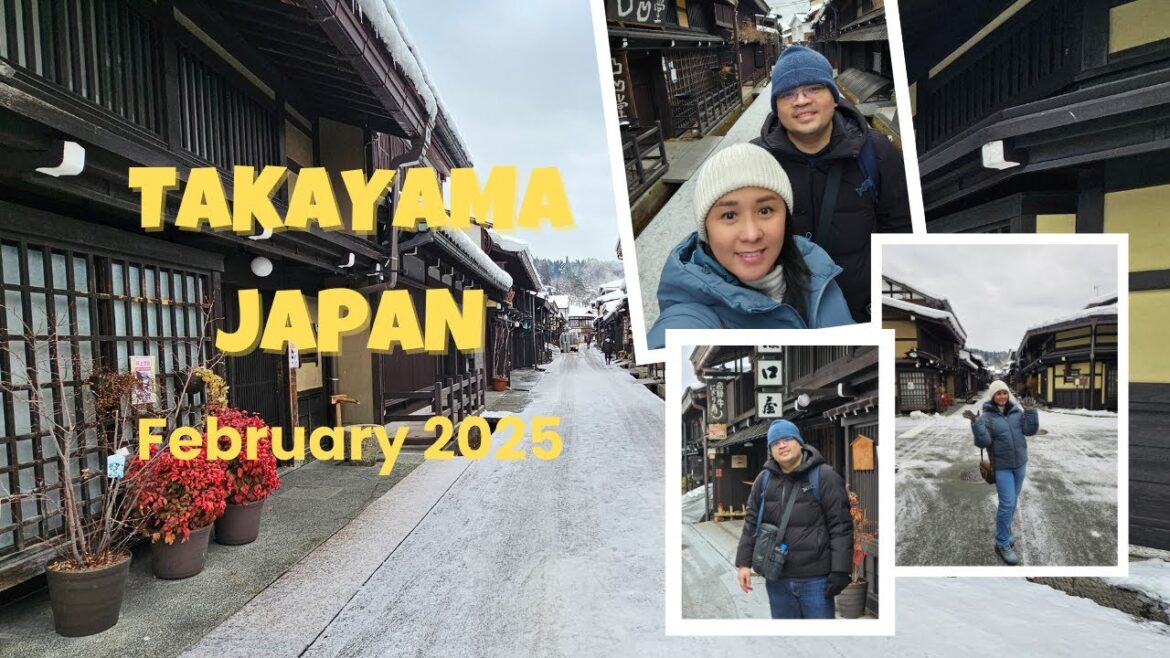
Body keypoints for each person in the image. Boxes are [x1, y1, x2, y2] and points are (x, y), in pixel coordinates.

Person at [752, 46, 912, 323]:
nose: (801, 101)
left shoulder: (875, 153)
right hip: (785, 315)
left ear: (834, 97)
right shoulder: (755, 160)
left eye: (814, 89)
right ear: (776, 107)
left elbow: (901, 230)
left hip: (859, 311)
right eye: (787, 93)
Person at [646, 143, 853, 349]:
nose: (751, 234)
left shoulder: (818, 271)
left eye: (765, 211)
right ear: (706, 230)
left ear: (785, 218)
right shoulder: (691, 316)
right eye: (729, 215)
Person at [734, 419, 853, 619]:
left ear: (799, 442)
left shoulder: (824, 476)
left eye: (787, 439)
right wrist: (743, 564)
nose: (782, 445)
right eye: (775, 442)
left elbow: (840, 525)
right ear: (771, 450)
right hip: (777, 577)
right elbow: (751, 523)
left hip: (816, 580)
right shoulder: (763, 480)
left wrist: (840, 570)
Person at [963, 380, 1040, 566]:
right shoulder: (987, 417)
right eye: (998, 393)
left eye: (1005, 393)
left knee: (1012, 502)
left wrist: (1031, 412)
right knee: (1007, 504)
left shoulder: (1016, 412)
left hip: (1020, 464)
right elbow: (983, 442)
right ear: (993, 396)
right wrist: (977, 424)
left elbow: (1030, 430)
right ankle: (1002, 543)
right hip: (1002, 467)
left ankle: (1004, 533)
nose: (1002, 396)